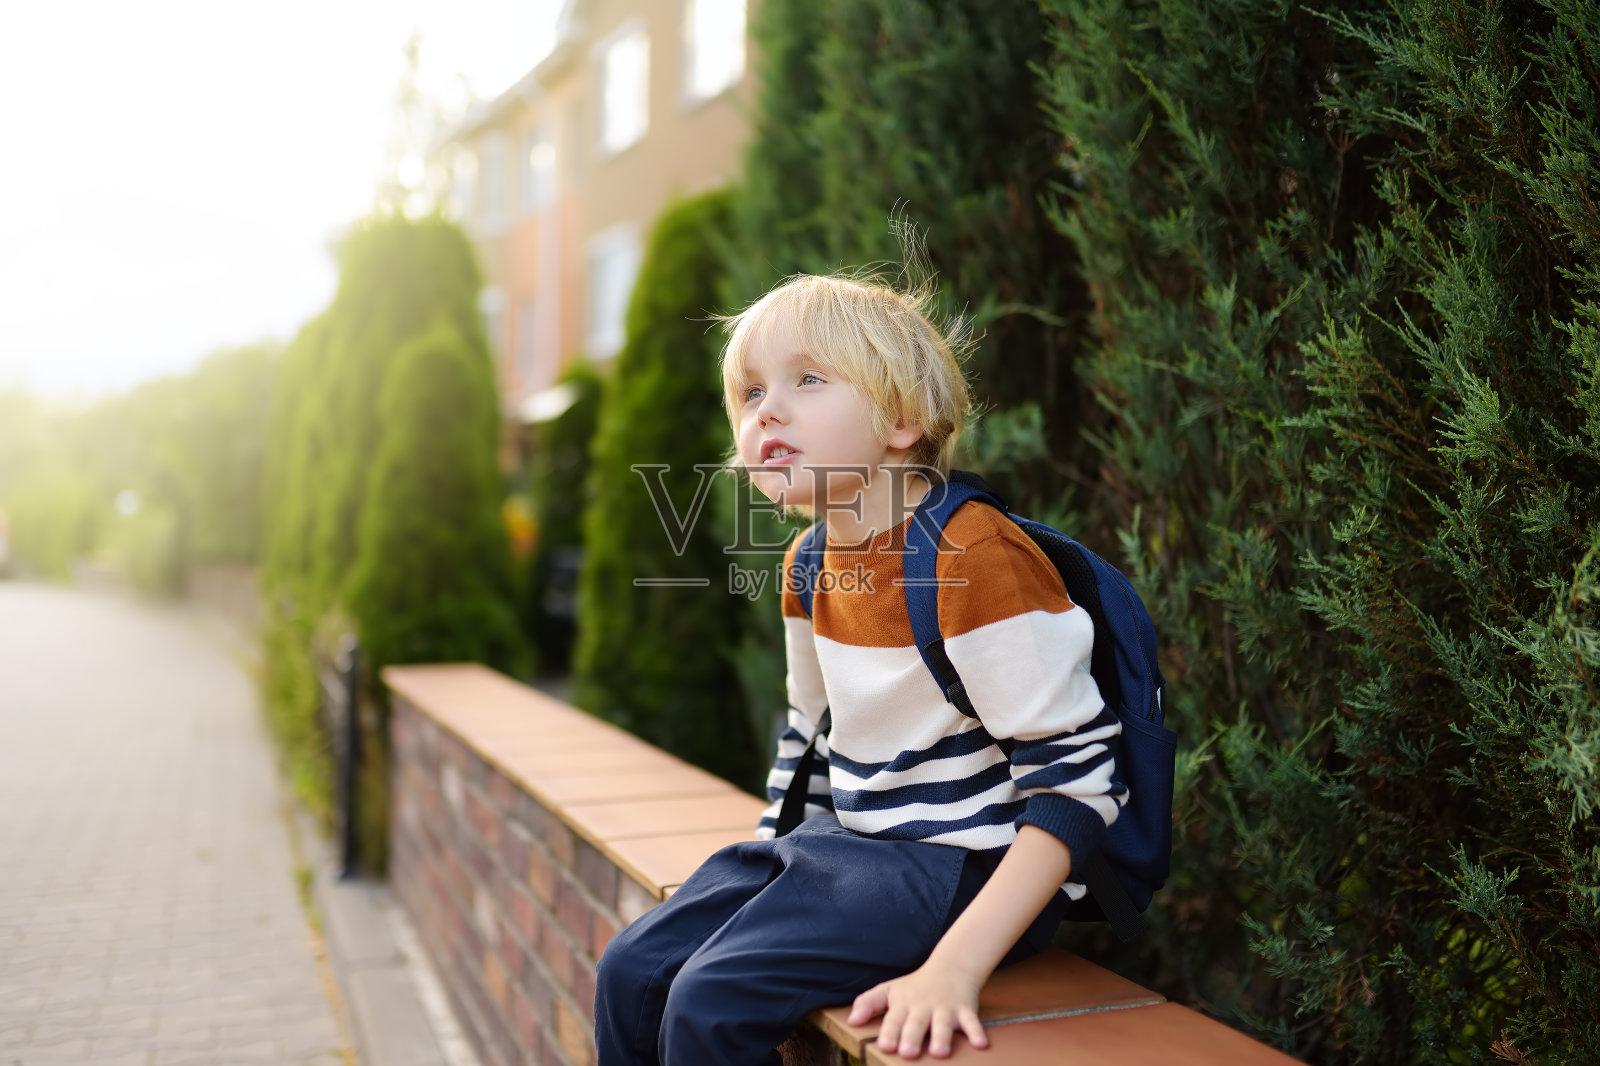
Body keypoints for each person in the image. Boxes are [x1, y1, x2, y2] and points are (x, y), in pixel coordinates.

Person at [593, 272, 1127, 1064]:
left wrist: (955, 968)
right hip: (853, 847)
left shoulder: (972, 557)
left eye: (807, 379)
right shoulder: (809, 564)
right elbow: (812, 738)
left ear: (904, 419)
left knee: (711, 1002)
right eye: (749, 393)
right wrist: (767, 881)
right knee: (632, 971)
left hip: (967, 867)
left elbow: (1079, 786)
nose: (765, 409)